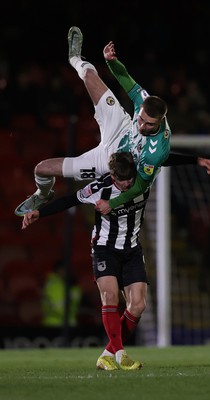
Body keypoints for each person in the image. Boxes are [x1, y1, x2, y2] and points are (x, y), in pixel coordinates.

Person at [14, 26, 210, 217]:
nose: (142, 126)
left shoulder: (156, 152)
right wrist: (111, 62)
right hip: (120, 128)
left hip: (108, 160)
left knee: (41, 168)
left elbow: (140, 187)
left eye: (148, 125)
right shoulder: (145, 103)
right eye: (141, 119)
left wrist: (113, 203)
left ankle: (42, 196)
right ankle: (75, 58)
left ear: (160, 122)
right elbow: (126, 79)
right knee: (90, 76)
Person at [22, 152, 146, 370]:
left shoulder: (144, 178)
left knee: (138, 305)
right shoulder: (99, 187)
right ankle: (121, 354)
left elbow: (162, 157)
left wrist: (197, 160)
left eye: (130, 179)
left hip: (132, 249)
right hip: (104, 248)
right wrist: (39, 213)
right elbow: (70, 200)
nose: (127, 184)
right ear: (113, 176)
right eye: (122, 180)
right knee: (110, 296)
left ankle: (107, 353)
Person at [42, 259, 82, 327]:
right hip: (55, 325)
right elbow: (62, 310)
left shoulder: (71, 285)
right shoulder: (54, 285)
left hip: (68, 325)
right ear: (58, 270)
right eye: (64, 269)